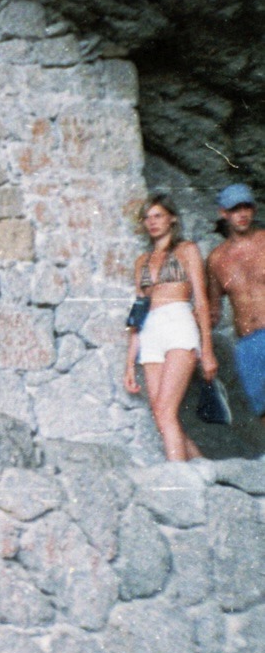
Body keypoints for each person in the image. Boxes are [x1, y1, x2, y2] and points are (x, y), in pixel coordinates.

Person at [123, 195, 216, 460]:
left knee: (165, 412)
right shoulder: (142, 261)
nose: (152, 222)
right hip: (150, 331)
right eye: (148, 217)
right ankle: (203, 472)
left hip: (179, 325)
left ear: (172, 218)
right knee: (160, 414)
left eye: (158, 215)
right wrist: (130, 363)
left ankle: (181, 481)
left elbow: (201, 300)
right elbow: (138, 311)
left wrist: (207, 351)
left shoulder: (187, 250)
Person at [206, 183, 265, 425]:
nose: (242, 214)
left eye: (246, 208)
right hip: (247, 343)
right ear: (223, 213)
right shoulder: (216, 260)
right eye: (234, 209)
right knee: (262, 410)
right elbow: (212, 311)